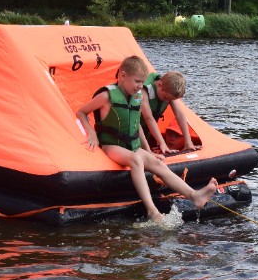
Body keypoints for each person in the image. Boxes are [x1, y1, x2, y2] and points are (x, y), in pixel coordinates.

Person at [76, 56, 218, 223]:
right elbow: (81, 112)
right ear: (123, 76)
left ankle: (194, 196)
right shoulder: (106, 96)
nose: (140, 86)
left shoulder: (137, 97)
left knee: (158, 163)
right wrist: (92, 133)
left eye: (142, 82)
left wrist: (148, 151)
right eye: (137, 81)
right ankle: (152, 210)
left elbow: (136, 126)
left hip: (132, 146)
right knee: (136, 160)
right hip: (111, 145)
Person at [141, 71, 197, 154]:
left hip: (147, 130)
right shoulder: (144, 90)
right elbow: (148, 118)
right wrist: (162, 143)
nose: (167, 101)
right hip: (135, 127)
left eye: (170, 99)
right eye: (165, 97)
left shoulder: (168, 92)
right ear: (159, 84)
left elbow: (180, 114)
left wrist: (188, 141)